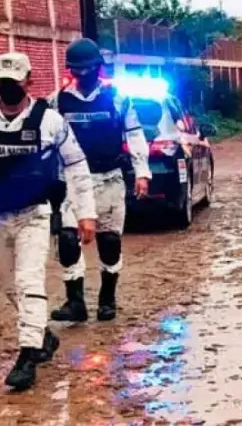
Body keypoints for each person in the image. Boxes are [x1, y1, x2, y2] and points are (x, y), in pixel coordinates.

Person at [0, 52, 97, 390]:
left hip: (34, 214)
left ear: (28, 82)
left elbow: (76, 165)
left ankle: (28, 357)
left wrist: (85, 214)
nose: (7, 90)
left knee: (28, 282)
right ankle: (42, 335)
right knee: (8, 286)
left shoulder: (50, 121)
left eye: (13, 83)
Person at [49, 38, 151, 324]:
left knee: (109, 242)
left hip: (109, 179)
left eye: (87, 69)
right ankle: (75, 302)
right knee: (68, 239)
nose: (81, 76)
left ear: (98, 68)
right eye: (76, 70)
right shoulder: (57, 101)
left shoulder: (118, 98)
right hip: (71, 182)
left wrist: (142, 172)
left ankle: (107, 300)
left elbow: (134, 134)